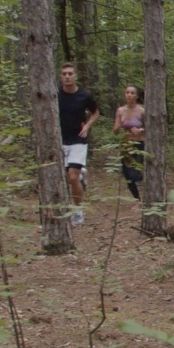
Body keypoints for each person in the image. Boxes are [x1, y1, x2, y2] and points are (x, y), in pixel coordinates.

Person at [58, 63, 99, 226]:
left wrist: (88, 126)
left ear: (75, 76)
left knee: (72, 177)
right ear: (61, 76)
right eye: (64, 74)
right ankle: (58, 211)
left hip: (78, 140)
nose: (67, 76)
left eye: (70, 73)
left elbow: (96, 112)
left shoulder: (84, 96)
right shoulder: (54, 94)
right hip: (58, 140)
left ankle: (77, 211)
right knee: (62, 178)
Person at [113, 85, 145, 200]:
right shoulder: (120, 110)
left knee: (135, 174)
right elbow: (115, 131)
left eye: (132, 93)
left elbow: (150, 128)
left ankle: (144, 179)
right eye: (127, 92)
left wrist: (140, 130)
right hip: (126, 146)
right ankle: (137, 200)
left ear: (136, 96)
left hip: (139, 145)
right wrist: (121, 124)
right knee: (128, 176)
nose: (129, 95)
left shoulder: (141, 110)